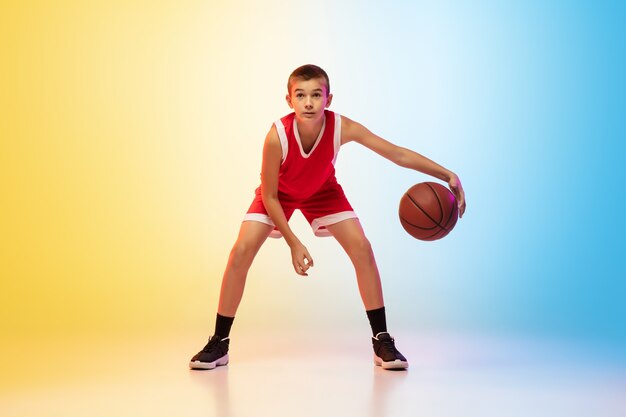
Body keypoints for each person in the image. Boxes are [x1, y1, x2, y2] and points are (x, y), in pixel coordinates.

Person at [189, 64, 466, 371]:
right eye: (301, 95)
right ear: (289, 100)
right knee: (240, 252)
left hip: (323, 191)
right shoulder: (275, 136)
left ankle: (382, 339)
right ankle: (220, 342)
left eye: (316, 95)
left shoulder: (341, 127)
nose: (309, 102)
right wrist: (294, 242)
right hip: (278, 195)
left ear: (328, 99)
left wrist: (447, 174)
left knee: (362, 248)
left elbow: (396, 153)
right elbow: (269, 196)